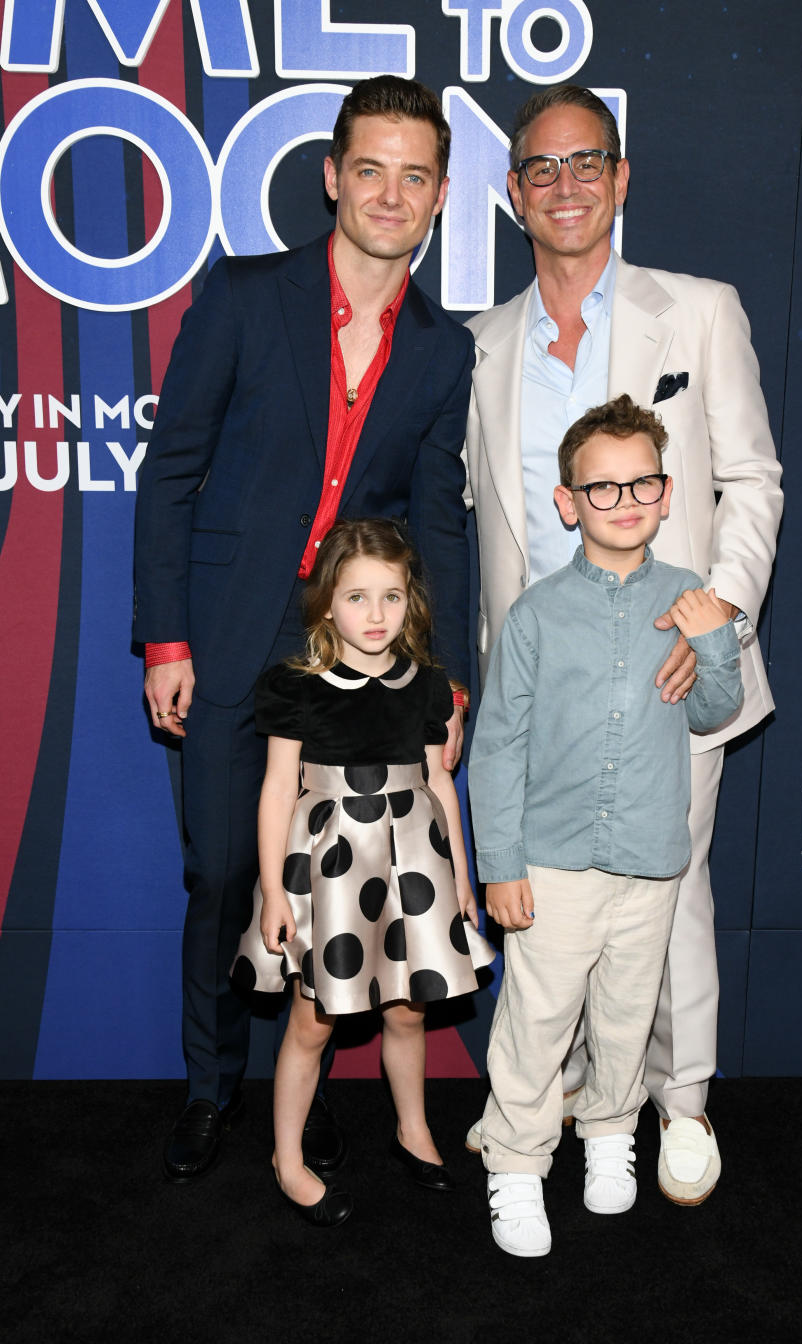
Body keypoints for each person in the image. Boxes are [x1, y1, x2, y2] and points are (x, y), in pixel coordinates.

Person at [133, 76, 474, 1183]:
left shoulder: (440, 348)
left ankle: (304, 1093)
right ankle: (208, 1089)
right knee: (226, 871)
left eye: (414, 174)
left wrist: (445, 677)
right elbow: (171, 471)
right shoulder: (242, 297)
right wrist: (168, 638)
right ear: (332, 176)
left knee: (338, 881)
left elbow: (435, 522)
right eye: (369, 168)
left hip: (358, 650)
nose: (390, 192)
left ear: (439, 196)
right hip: (230, 629)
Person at [464, 85, 783, 1204]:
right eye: (542, 169)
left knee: (669, 892)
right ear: (513, 194)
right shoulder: (484, 343)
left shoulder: (696, 311)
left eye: (587, 162)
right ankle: (536, 1113)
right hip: (541, 682)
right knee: (547, 915)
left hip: (666, 666)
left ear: (622, 177)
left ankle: (677, 1103)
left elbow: (752, 479)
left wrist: (718, 619)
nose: (566, 185)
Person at [469, 395, 743, 1256]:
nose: (624, 502)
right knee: (537, 1019)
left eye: (642, 485)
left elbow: (714, 712)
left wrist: (718, 641)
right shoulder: (538, 614)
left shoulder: (691, 596)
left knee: (627, 1015)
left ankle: (611, 1140)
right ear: (566, 502)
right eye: (602, 489)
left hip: (651, 857)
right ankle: (515, 1168)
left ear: (667, 494)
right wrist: (501, 862)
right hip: (550, 861)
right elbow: (498, 743)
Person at [231, 519, 479, 1225]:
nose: (376, 616)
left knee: (410, 1008)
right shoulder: (294, 686)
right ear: (326, 604)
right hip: (330, 868)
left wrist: (460, 878)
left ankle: (413, 1129)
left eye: (392, 597)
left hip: (414, 859)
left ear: (412, 603)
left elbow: (439, 781)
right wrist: (275, 892)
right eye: (358, 597)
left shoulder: (431, 686)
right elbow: (279, 789)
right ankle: (287, 1158)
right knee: (313, 1022)